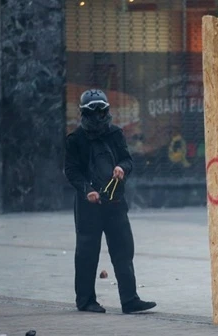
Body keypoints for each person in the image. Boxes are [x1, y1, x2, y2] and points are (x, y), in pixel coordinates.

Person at [64, 88, 156, 314]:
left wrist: (121, 168)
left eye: (102, 112)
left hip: (115, 202)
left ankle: (130, 300)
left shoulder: (115, 133)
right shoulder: (75, 139)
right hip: (89, 207)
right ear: (84, 114)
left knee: (123, 251)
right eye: (93, 113)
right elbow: (71, 170)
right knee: (87, 253)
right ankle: (85, 301)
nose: (99, 117)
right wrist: (87, 190)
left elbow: (127, 159)